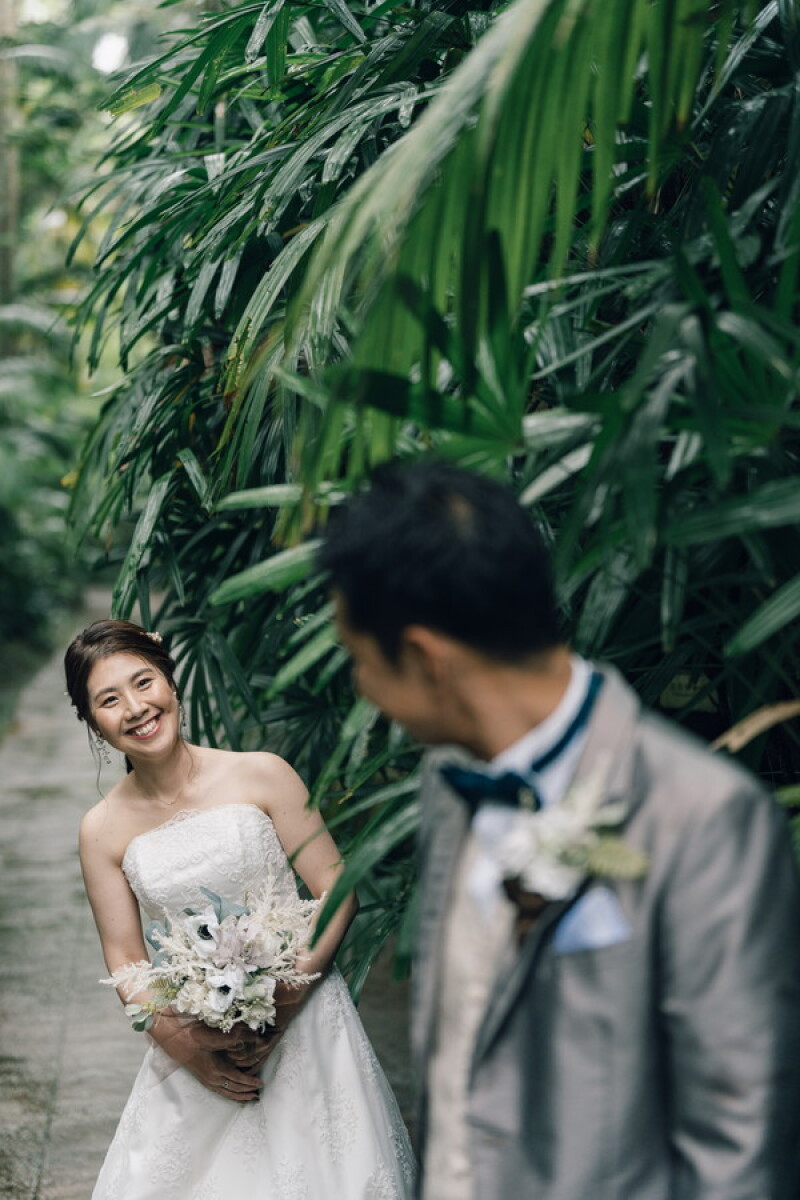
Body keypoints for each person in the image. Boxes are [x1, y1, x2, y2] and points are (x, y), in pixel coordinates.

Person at [319, 458, 800, 1200]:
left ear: (424, 658)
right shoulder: (448, 785)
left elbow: (737, 1149)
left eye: (356, 658)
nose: (360, 687)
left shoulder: (703, 819)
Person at [66, 619, 415, 1200]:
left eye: (143, 682)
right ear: (94, 723)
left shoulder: (262, 773)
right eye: (109, 699)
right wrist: (189, 1049)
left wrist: (286, 996)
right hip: (203, 1037)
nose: (135, 707)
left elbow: (338, 890)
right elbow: (126, 959)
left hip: (307, 1025)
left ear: (171, 684)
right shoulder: (100, 831)